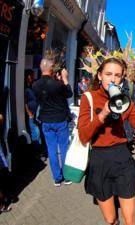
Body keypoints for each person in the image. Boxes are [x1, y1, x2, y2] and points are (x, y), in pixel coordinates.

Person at [77, 57, 135, 225]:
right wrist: (103, 114)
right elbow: (84, 136)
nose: (112, 79)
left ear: (122, 78)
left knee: (130, 220)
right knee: (111, 219)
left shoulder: (125, 101)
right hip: (99, 162)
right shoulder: (89, 98)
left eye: (117, 75)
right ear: (99, 75)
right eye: (108, 74)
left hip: (123, 159)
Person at [32, 58, 73, 186]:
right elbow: (69, 94)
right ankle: (66, 176)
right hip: (60, 120)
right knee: (64, 147)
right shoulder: (58, 84)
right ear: (51, 69)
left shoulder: (35, 85)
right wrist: (65, 79)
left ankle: (57, 178)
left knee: (51, 149)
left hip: (46, 120)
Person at [24, 69, 42, 158]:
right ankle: (35, 154)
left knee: (37, 132)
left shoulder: (31, 87)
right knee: (36, 132)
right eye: (32, 75)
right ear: (28, 76)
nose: (34, 77)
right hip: (31, 115)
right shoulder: (25, 89)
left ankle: (37, 153)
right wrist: (29, 113)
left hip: (36, 114)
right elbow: (25, 102)